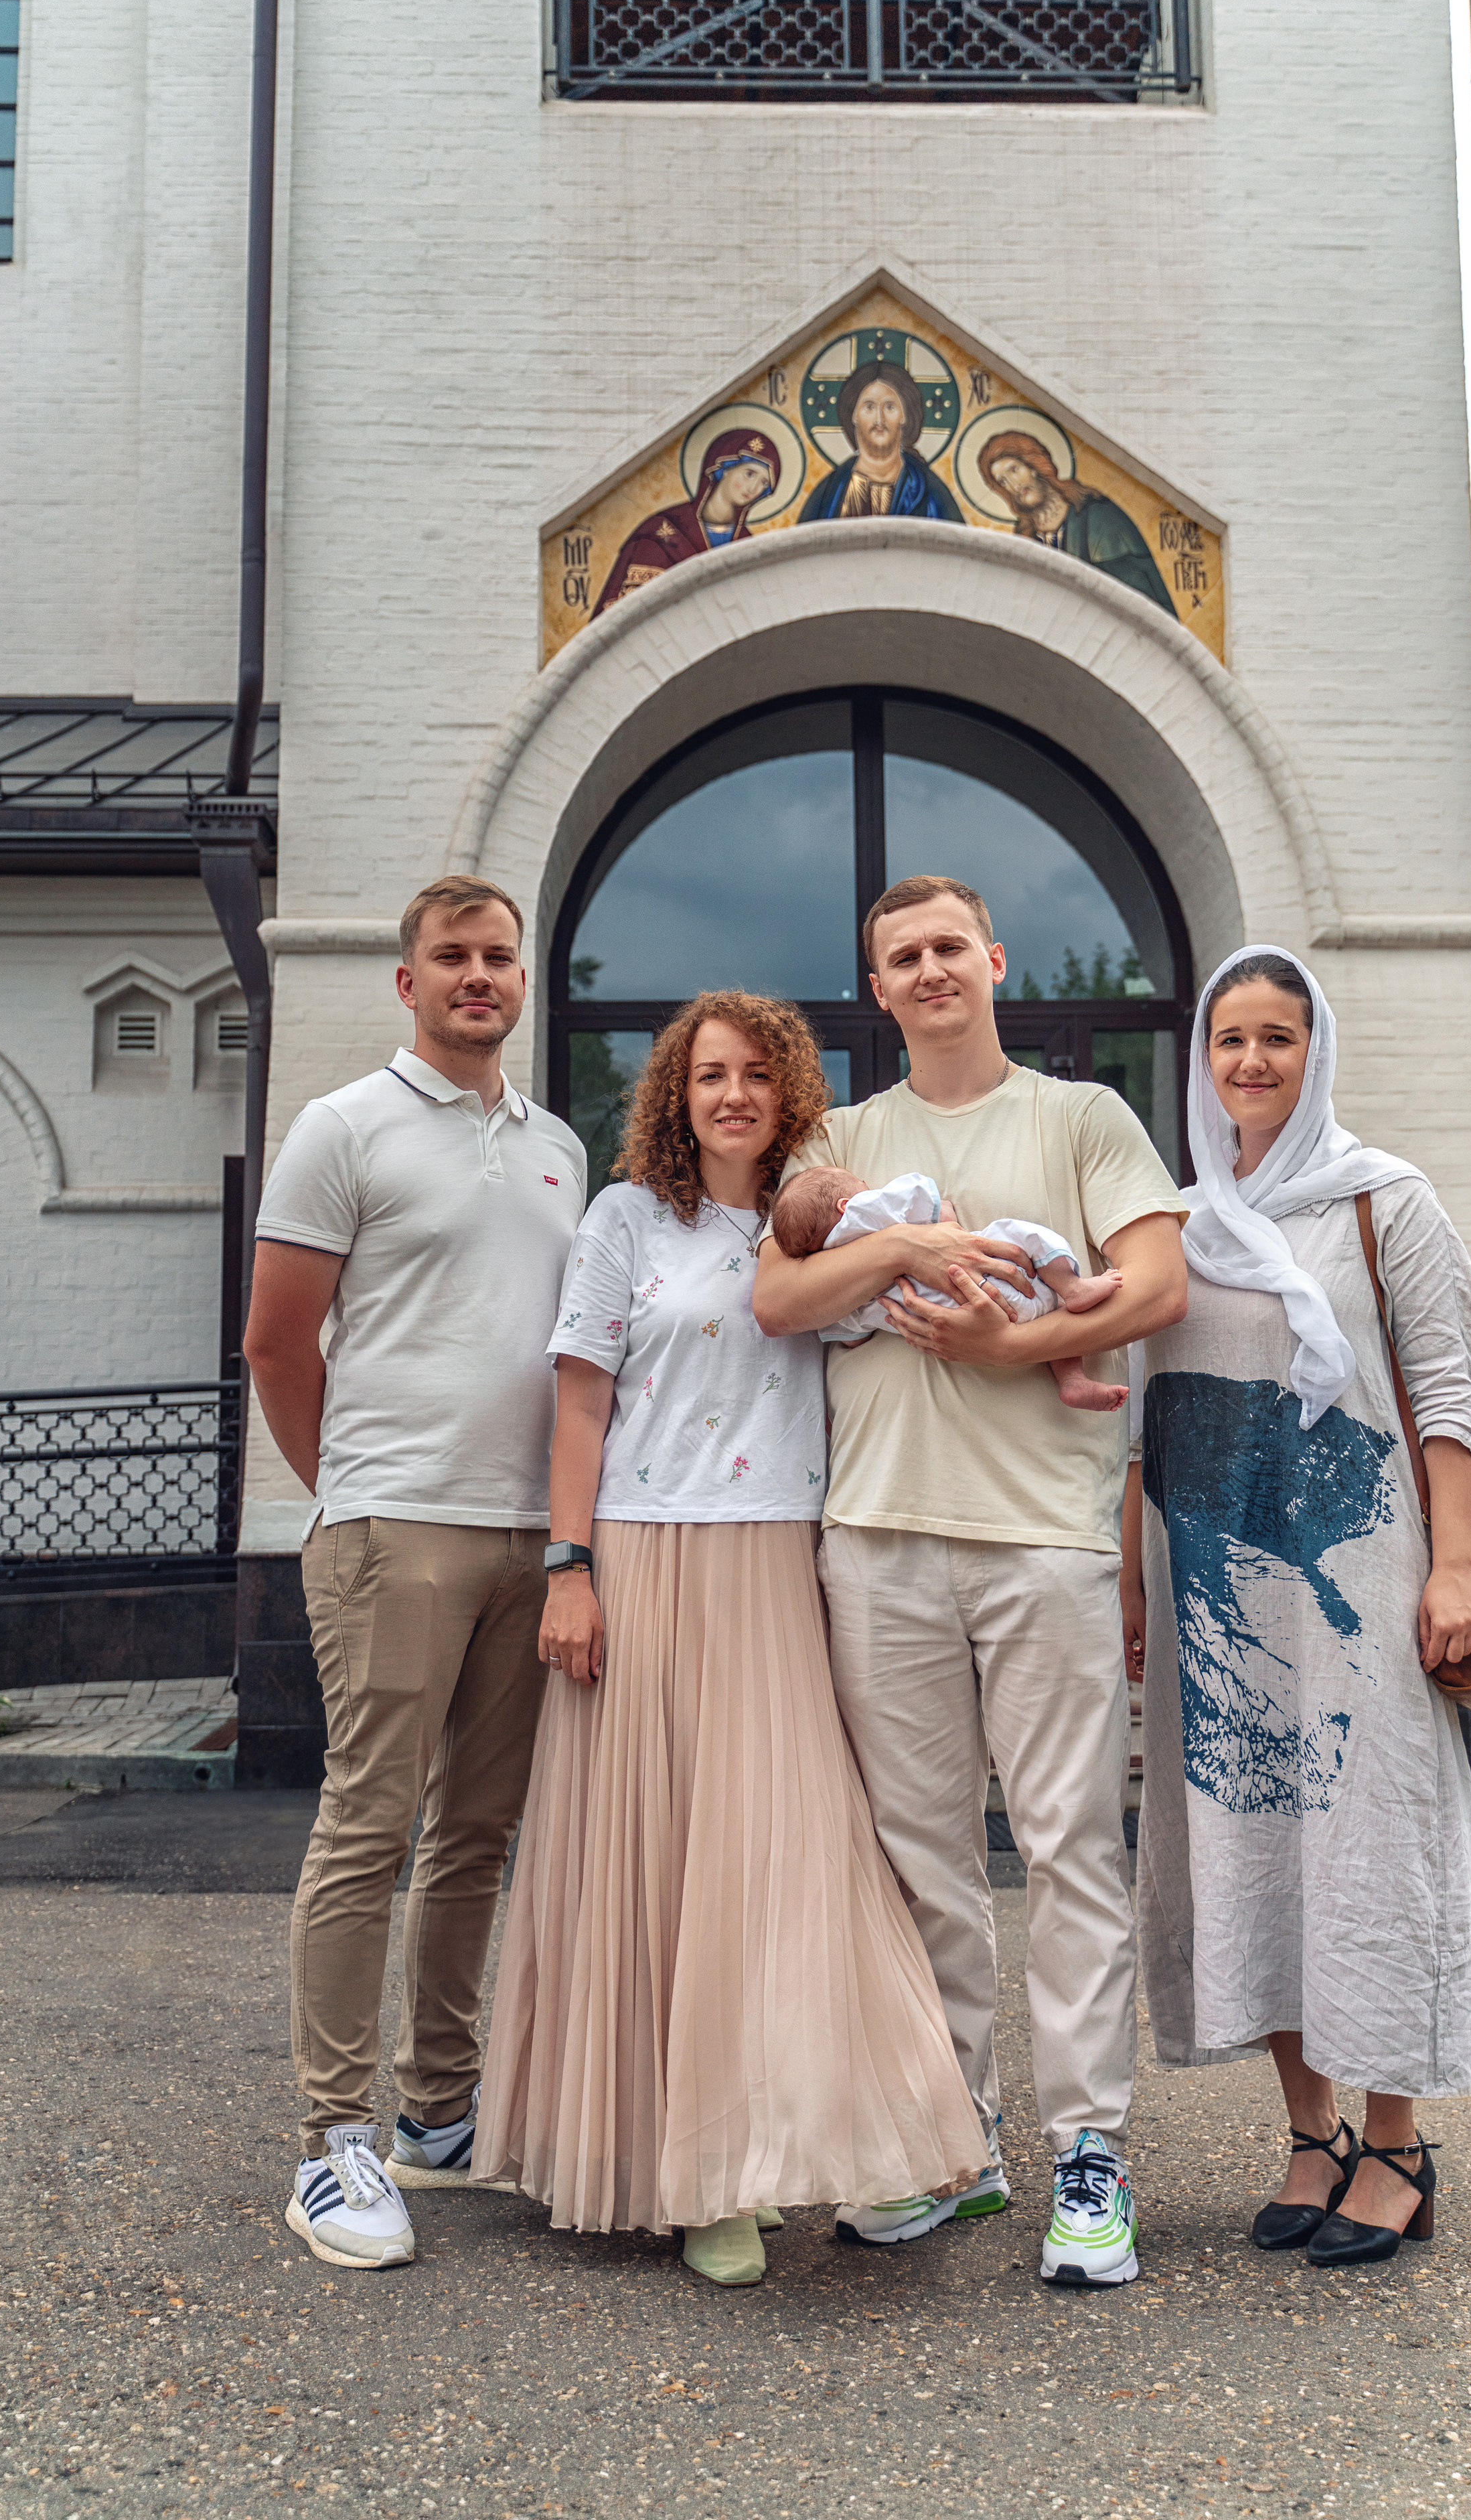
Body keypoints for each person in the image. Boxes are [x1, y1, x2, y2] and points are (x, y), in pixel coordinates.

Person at [472, 990, 987, 2285]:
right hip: (640, 1558)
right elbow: (577, 1406)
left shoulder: (817, 1227)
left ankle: (789, 2143)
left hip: (777, 1562)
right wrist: (570, 1569)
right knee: (656, 1863)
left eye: (757, 1074)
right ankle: (693, 2182)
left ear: (789, 1091)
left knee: (788, 1858)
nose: (734, 1094)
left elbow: (888, 1316)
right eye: (711, 1074)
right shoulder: (625, 1220)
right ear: (677, 1093)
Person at [751, 877, 1188, 2287]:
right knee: (921, 1856)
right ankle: (955, 2140)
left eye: (950, 945)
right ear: (876, 987)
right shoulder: (840, 1140)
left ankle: (1090, 2153)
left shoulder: (1082, 1117)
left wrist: (1010, 1349)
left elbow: (1155, 1283)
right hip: (877, 1534)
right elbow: (776, 1296)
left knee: (1070, 1845)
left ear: (993, 961)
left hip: (1044, 1537)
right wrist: (910, 1247)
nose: (930, 968)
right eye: (903, 955)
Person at [244, 875, 586, 2272]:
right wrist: (358, 1487)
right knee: (369, 1823)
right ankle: (332, 2140)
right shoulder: (343, 1127)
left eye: (498, 955)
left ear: (522, 979)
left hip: (529, 1534)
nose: (477, 975)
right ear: (408, 981)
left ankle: (436, 2113)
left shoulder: (559, 1145)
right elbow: (276, 1342)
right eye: (451, 956)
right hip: (396, 1527)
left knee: (477, 1833)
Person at [1128, 946, 1471, 2268]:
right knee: (1249, 1837)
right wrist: (1128, 1582)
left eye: (1276, 1037)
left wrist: (1452, 1567)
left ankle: (1394, 2141)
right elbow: (1137, 1424)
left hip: (1361, 1584)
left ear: (1314, 1049)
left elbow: (1446, 1388)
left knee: (1365, 1837)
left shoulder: (1384, 1201)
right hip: (1208, 1584)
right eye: (1229, 1039)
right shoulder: (1176, 1223)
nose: (1252, 1061)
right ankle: (1308, 2131)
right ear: (1201, 1058)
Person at [771, 1163, 1129, 1410]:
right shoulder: (863, 1213)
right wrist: (940, 1214)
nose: (868, 1188)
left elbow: (852, 1339)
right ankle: (1072, 1287)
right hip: (1004, 1283)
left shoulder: (842, 1291)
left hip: (951, 1325)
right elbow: (940, 1211)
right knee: (1018, 1234)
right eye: (861, 1185)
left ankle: (1072, 1381)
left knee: (1046, 1316)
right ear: (846, 1205)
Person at [976, 431, 1176, 617]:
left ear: (1034, 466)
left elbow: (1136, 592)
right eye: (1003, 482)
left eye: (1014, 470)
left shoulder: (1097, 514)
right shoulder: (1026, 537)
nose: (1014, 486)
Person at [593, 429, 781, 613]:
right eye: (750, 474)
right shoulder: (661, 531)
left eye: (764, 483)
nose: (754, 488)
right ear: (724, 468)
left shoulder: (747, 545)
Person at [797, 362, 965, 523]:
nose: (880, 420)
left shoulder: (929, 492)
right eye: (869, 407)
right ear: (854, 415)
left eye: (890, 407)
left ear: (904, 416)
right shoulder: (830, 494)